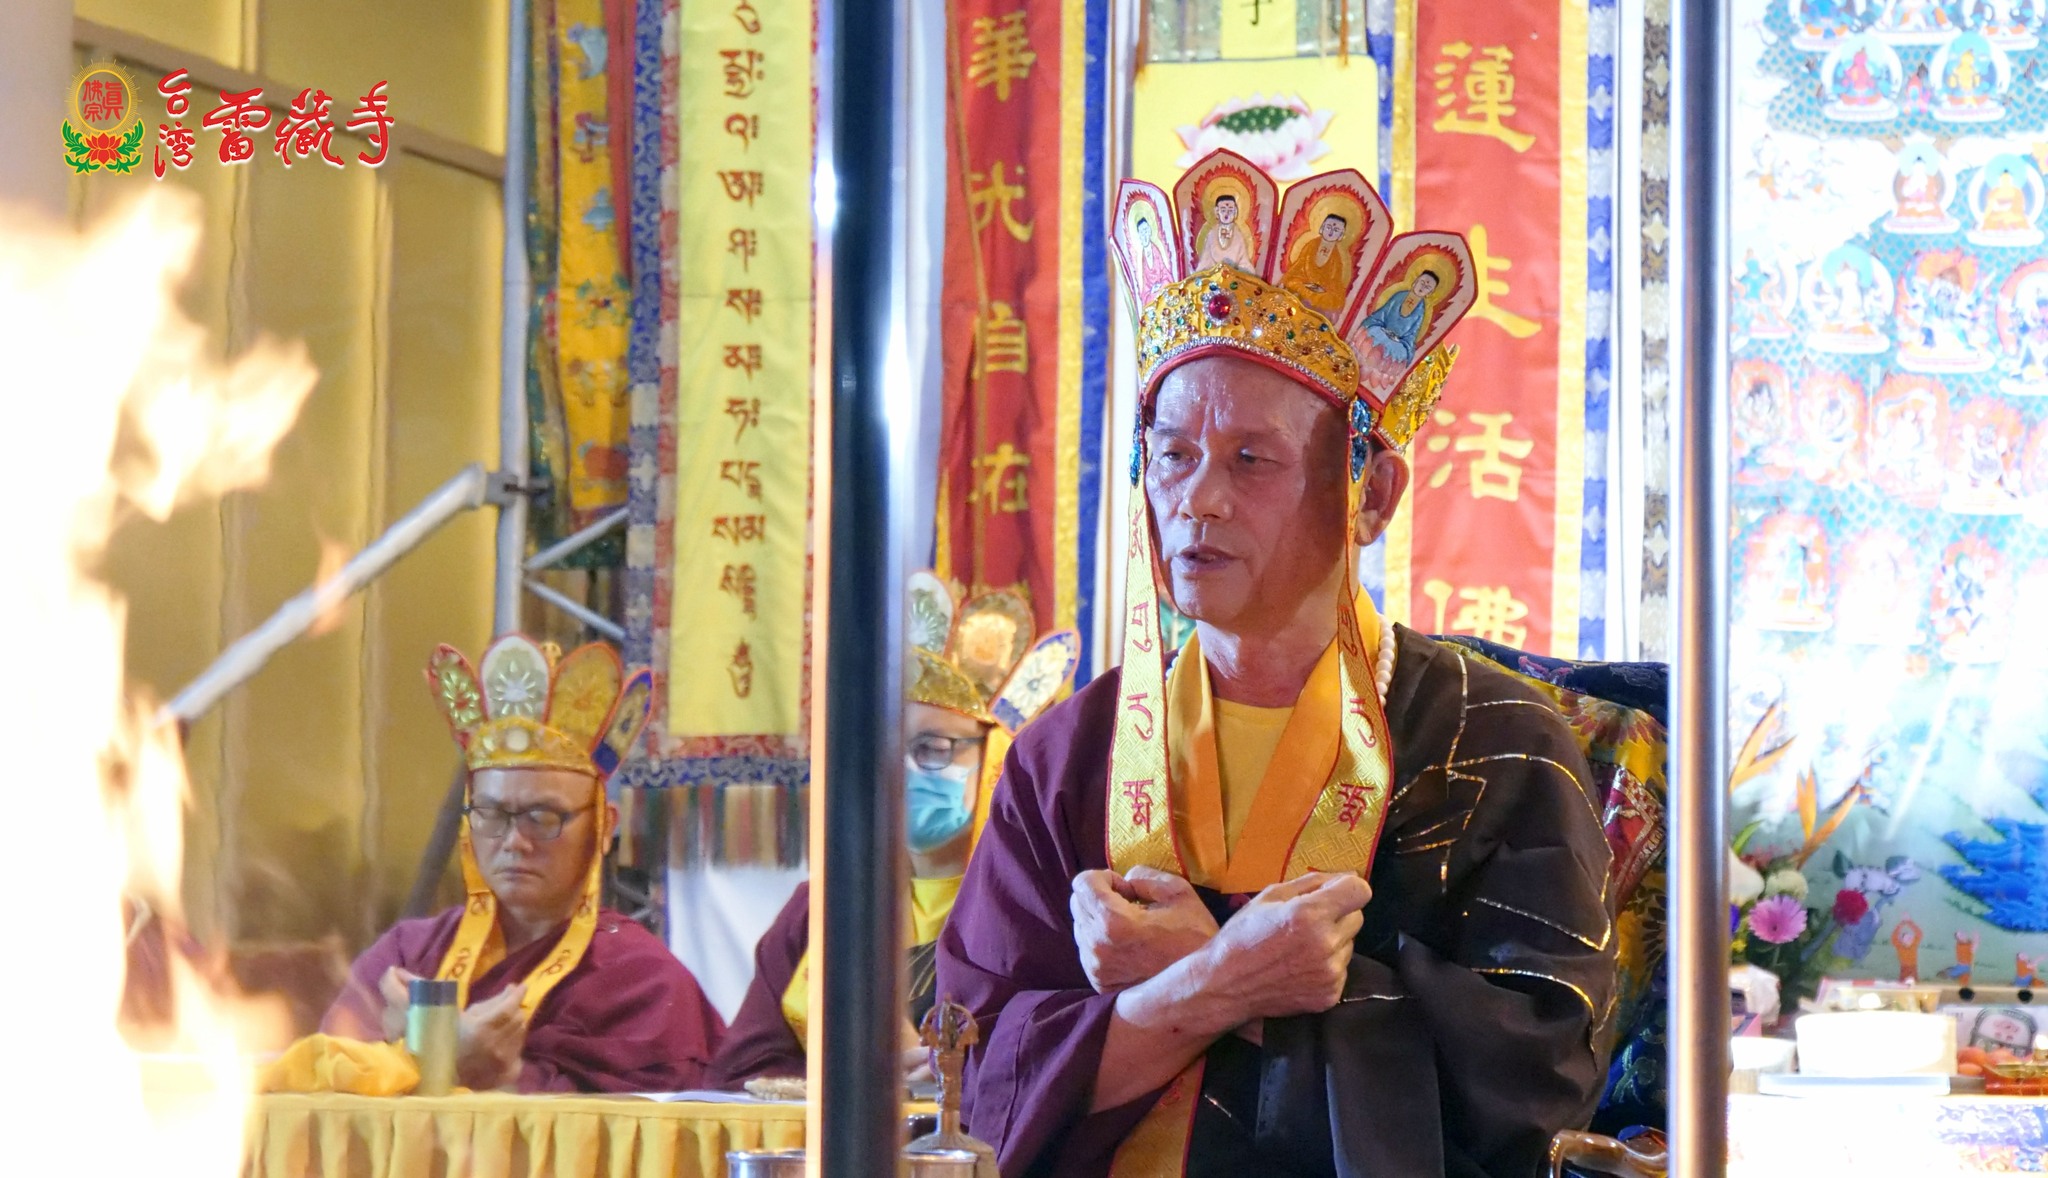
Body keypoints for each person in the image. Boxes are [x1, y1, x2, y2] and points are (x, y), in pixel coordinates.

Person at [938, 153, 1617, 1177]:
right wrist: (1225, 981)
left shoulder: (1494, 743)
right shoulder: (1065, 758)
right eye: (1173, 454)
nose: (1197, 501)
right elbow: (974, 1070)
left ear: (1371, 494)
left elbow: (1535, 1073)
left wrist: (1203, 978)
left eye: (1251, 461)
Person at [707, 576, 1078, 1088]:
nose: (901, 772)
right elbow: (743, 1073)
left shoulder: (1039, 910)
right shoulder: (823, 909)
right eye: (886, 750)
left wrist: (962, 1076)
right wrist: (851, 1080)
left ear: (998, 761)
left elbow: (1064, 1059)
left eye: (933, 749)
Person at [320, 637, 726, 1093]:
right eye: (491, 814)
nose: (514, 841)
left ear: (603, 826)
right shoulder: (409, 954)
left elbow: (659, 1127)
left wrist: (505, 1077)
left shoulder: (642, 981)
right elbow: (319, 1088)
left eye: (543, 817)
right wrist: (402, 1053)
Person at [1280, 212, 1353, 317]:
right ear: (1322, 228)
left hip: (1320, 290)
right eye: (1328, 227)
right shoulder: (1311, 246)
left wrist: (1321, 288)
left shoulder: (1337, 258)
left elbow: (1334, 281)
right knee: (1293, 285)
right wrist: (1303, 283)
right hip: (1303, 284)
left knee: (1331, 299)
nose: (1331, 232)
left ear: (1341, 235)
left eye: (1336, 230)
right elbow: (1298, 266)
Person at [1194, 193, 1255, 272]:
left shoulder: (1238, 236)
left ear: (1235, 212)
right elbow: (1206, 260)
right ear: (1217, 212)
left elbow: (1244, 261)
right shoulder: (1212, 234)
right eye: (1223, 210)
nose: (1227, 214)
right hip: (1214, 274)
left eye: (1230, 210)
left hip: (1234, 274)